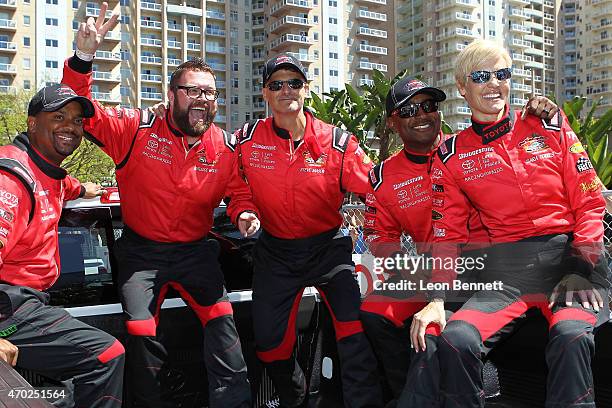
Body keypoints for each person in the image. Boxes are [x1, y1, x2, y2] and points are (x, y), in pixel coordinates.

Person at [61, 5, 259, 407]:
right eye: (193, 90)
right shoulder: (135, 129)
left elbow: (239, 194)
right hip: (141, 253)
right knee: (140, 330)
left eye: (210, 92)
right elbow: (80, 108)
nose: (203, 99)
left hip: (195, 252)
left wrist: (245, 214)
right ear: (171, 96)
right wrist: (83, 57)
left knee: (225, 328)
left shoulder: (224, 146)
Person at [427, 39, 609, 408]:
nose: (494, 84)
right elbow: (447, 235)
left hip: (573, 263)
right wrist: (436, 298)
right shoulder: (450, 154)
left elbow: (590, 202)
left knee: (571, 335)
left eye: (502, 74)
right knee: (455, 338)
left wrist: (579, 267)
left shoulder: (547, 123)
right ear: (463, 87)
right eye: (481, 76)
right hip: (508, 274)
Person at [359, 77, 556, 406]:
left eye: (429, 106)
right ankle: (405, 393)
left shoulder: (468, 148)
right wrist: (411, 267)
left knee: (440, 330)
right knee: (373, 311)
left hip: (487, 272)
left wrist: (540, 111)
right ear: (393, 123)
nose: (422, 114)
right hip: (429, 273)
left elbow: (517, 143)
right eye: (409, 109)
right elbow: (377, 234)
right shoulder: (381, 177)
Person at [233, 53, 383, 407]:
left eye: (294, 83)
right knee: (270, 348)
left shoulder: (338, 143)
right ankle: (299, 399)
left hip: (328, 248)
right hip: (275, 251)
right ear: (265, 94)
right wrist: (244, 212)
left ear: (306, 90)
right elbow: (236, 188)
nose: (286, 90)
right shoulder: (247, 140)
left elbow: (377, 188)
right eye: (276, 85)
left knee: (353, 335)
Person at [0, 83, 124, 407]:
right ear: (32, 122)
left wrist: (87, 189)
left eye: (77, 120)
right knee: (107, 354)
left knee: (65, 389)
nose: (70, 125)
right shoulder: (11, 180)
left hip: (30, 302)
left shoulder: (49, 172)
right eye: (58, 116)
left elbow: (65, 185)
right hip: (8, 305)